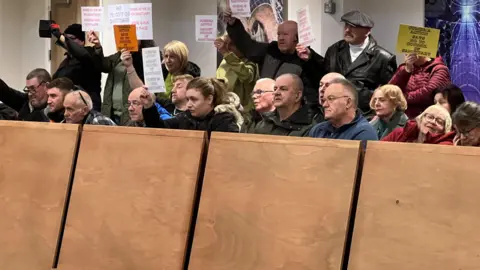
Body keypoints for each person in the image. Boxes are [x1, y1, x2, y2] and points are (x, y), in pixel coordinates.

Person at [222, 9, 324, 115]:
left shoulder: (308, 58)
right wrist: (234, 25)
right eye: (279, 34)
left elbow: (319, 78)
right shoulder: (271, 50)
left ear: (296, 37)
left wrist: (310, 60)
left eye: (285, 34)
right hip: (265, 112)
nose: (281, 38)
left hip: (293, 115)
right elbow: (249, 47)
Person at [315, 10, 397, 115]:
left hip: (364, 115)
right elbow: (322, 76)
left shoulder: (383, 58)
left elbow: (388, 94)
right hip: (333, 112)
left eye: (353, 27)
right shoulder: (334, 50)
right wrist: (310, 57)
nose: (347, 30)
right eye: (346, 25)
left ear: (367, 31)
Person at [87, 32, 156, 125]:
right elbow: (104, 65)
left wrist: (130, 66)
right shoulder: (119, 55)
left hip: (132, 113)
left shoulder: (147, 57)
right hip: (111, 112)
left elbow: (147, 89)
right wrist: (98, 46)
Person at [141, 77, 239, 133]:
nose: (188, 105)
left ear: (209, 99)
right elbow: (161, 129)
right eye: (188, 99)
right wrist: (149, 106)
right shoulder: (186, 117)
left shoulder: (225, 121)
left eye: (194, 99)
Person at [50, 24, 102, 111]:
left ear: (82, 41)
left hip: (87, 107)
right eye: (67, 38)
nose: (68, 41)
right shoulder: (67, 60)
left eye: (72, 38)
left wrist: (61, 36)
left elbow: (82, 55)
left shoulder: (90, 54)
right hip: (71, 106)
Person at [309, 78, 378, 140]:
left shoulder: (364, 133)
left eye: (331, 99)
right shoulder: (317, 130)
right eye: (324, 100)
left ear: (348, 102)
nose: (324, 105)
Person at [389, 53, 451, 118]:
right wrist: (406, 71)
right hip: (399, 116)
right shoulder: (404, 67)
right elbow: (389, 91)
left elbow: (429, 93)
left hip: (424, 118)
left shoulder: (439, 69)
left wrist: (402, 98)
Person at [215, 34, 258, 111]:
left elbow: (246, 76)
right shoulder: (225, 61)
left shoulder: (251, 61)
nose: (227, 48)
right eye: (226, 44)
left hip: (242, 111)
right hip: (223, 106)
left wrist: (227, 54)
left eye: (231, 44)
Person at [382, 104, 454, 144]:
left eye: (439, 121)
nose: (433, 122)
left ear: (445, 129)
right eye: (430, 117)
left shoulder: (445, 145)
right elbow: (378, 150)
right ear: (421, 119)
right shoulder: (398, 133)